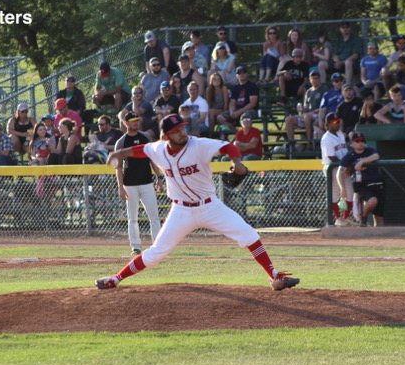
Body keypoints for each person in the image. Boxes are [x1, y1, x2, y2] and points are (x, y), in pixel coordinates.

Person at [96, 113, 300, 291]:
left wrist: (236, 163)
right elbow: (141, 149)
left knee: (248, 234)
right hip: (181, 211)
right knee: (156, 254)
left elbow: (230, 146)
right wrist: (119, 153)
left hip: (210, 206)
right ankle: (115, 279)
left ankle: (275, 277)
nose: (182, 133)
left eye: (182, 128)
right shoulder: (158, 149)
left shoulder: (198, 145)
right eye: (176, 131)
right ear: (166, 136)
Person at [114, 111, 163, 256]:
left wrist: (159, 177)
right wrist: (121, 187)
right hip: (130, 184)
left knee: (153, 215)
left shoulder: (145, 137)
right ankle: (135, 246)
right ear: (126, 123)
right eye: (133, 120)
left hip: (146, 182)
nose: (136, 123)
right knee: (132, 217)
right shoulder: (122, 142)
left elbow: (152, 159)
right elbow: (119, 168)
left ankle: (158, 245)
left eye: (137, 120)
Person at [337, 132, 384, 227]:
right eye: (357, 141)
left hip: (378, 184)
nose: (360, 143)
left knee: (379, 218)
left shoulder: (369, 150)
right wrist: (342, 189)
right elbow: (340, 172)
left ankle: (377, 239)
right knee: (372, 201)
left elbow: (376, 156)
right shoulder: (350, 155)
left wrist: (362, 161)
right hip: (364, 185)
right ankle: (364, 217)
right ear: (352, 143)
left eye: (362, 140)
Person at [320, 112, 353, 226]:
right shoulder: (326, 138)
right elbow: (332, 157)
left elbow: (344, 151)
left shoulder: (340, 135)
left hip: (343, 166)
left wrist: (348, 164)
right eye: (334, 122)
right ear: (327, 124)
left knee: (350, 192)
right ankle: (338, 218)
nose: (337, 124)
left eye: (338, 122)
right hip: (332, 168)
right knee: (335, 193)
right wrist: (346, 165)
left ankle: (346, 217)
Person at [285, 70, 328, 147]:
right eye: (313, 78)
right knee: (288, 119)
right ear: (309, 79)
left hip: (318, 116)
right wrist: (301, 109)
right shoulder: (308, 91)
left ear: (319, 79)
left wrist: (308, 113)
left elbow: (323, 108)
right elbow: (306, 107)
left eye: (316, 78)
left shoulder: (324, 91)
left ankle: (309, 143)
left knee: (307, 117)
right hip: (307, 115)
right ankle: (291, 145)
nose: (315, 80)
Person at [332, 20, 364, 84]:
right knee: (322, 64)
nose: (345, 29)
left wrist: (342, 62)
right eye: (343, 27)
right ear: (340, 29)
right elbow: (334, 55)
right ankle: (323, 87)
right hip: (338, 63)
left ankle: (347, 85)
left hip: (352, 63)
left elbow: (355, 55)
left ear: (350, 28)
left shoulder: (355, 39)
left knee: (348, 63)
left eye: (346, 27)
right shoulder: (339, 40)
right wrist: (337, 62)